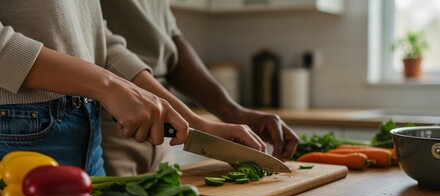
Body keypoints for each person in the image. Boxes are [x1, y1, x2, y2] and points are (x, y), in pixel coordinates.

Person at [0, 1, 263, 176]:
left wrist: (196, 124)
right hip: (18, 130)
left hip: (88, 132)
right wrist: (106, 85)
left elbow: (102, 41)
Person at [100, 0, 299, 176]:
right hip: (118, 119)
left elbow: (170, 39)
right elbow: (103, 45)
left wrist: (233, 112)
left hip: (165, 122)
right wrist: (196, 122)